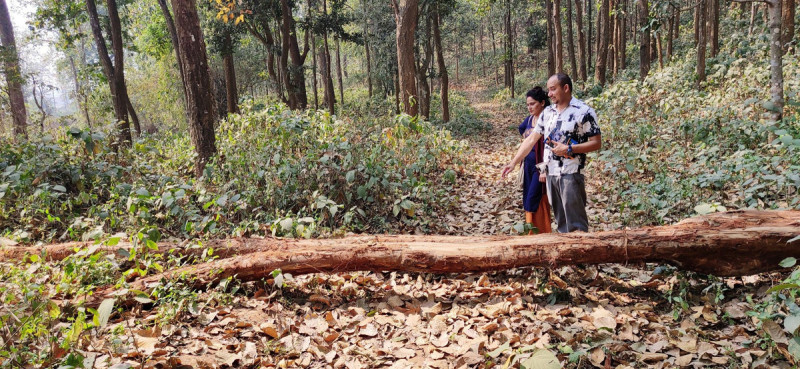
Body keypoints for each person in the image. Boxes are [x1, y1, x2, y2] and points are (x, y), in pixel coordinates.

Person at [502, 73, 602, 233]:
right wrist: (513, 162)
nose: (549, 94)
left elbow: (596, 143)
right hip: (551, 174)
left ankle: (580, 255)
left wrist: (569, 149)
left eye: (553, 89)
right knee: (561, 223)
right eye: (548, 90)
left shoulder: (583, 111)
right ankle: (566, 255)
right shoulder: (547, 112)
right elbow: (531, 139)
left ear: (566, 88)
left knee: (576, 225)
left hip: (571, 173)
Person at [518, 87, 552, 234]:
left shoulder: (550, 120)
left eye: (533, 104)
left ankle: (541, 233)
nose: (530, 107)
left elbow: (550, 146)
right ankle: (529, 234)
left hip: (541, 168)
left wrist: (544, 169)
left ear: (542, 103)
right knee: (527, 199)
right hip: (528, 166)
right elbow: (522, 131)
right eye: (528, 104)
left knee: (536, 198)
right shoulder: (529, 120)